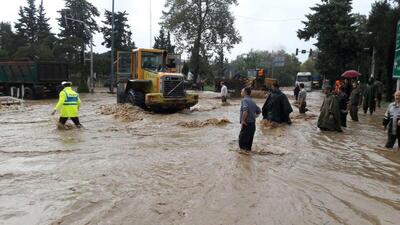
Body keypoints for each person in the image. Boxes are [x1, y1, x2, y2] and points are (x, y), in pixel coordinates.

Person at [239, 87, 261, 152]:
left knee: (242, 146)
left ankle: (243, 161)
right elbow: (259, 111)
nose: (241, 93)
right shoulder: (252, 101)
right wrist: (254, 117)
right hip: (252, 126)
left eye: (241, 91)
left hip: (246, 125)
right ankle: (248, 160)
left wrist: (243, 120)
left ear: (245, 92)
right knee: (248, 147)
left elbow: (245, 111)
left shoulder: (244, 100)